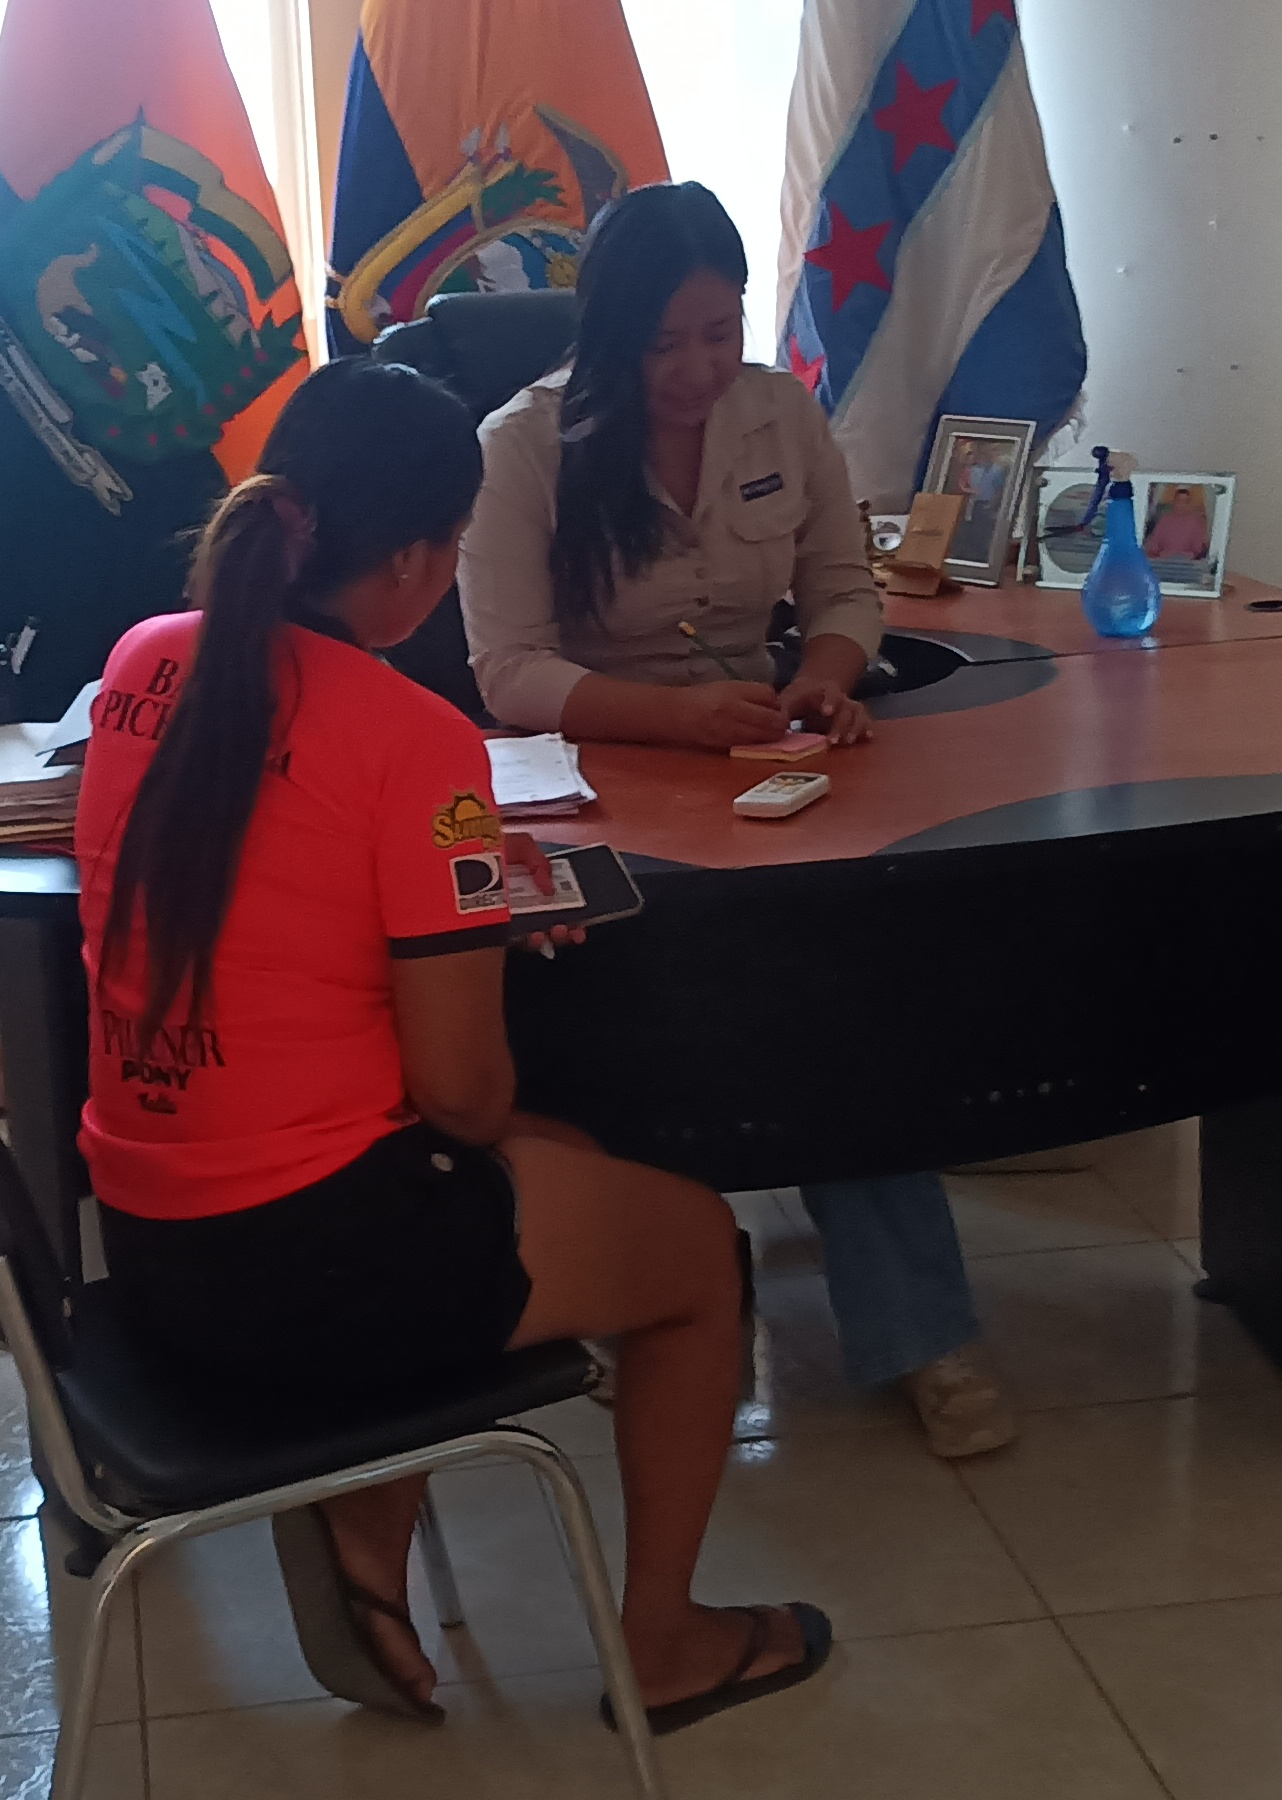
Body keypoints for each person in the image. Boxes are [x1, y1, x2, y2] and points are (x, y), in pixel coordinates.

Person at [73, 357, 830, 1731]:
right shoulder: (417, 741)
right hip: (311, 1264)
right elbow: (463, 1096)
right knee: (694, 1253)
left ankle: (368, 1549)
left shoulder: (143, 665)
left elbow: (265, 868)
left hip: (150, 1240)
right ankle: (662, 1643)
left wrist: (448, 895)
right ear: (420, 561)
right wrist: (462, 915)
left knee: (561, 1160)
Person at [453, 182, 1018, 1458]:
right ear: (610, 334)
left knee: (842, 1000)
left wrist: (825, 672)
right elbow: (508, 668)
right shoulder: (522, 445)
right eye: (666, 342)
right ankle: (649, 1287)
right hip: (601, 780)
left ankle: (920, 1328)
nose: (701, 368)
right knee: (637, 1022)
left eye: (721, 330)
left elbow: (844, 586)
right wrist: (673, 719)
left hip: (764, 759)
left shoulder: (780, 411)